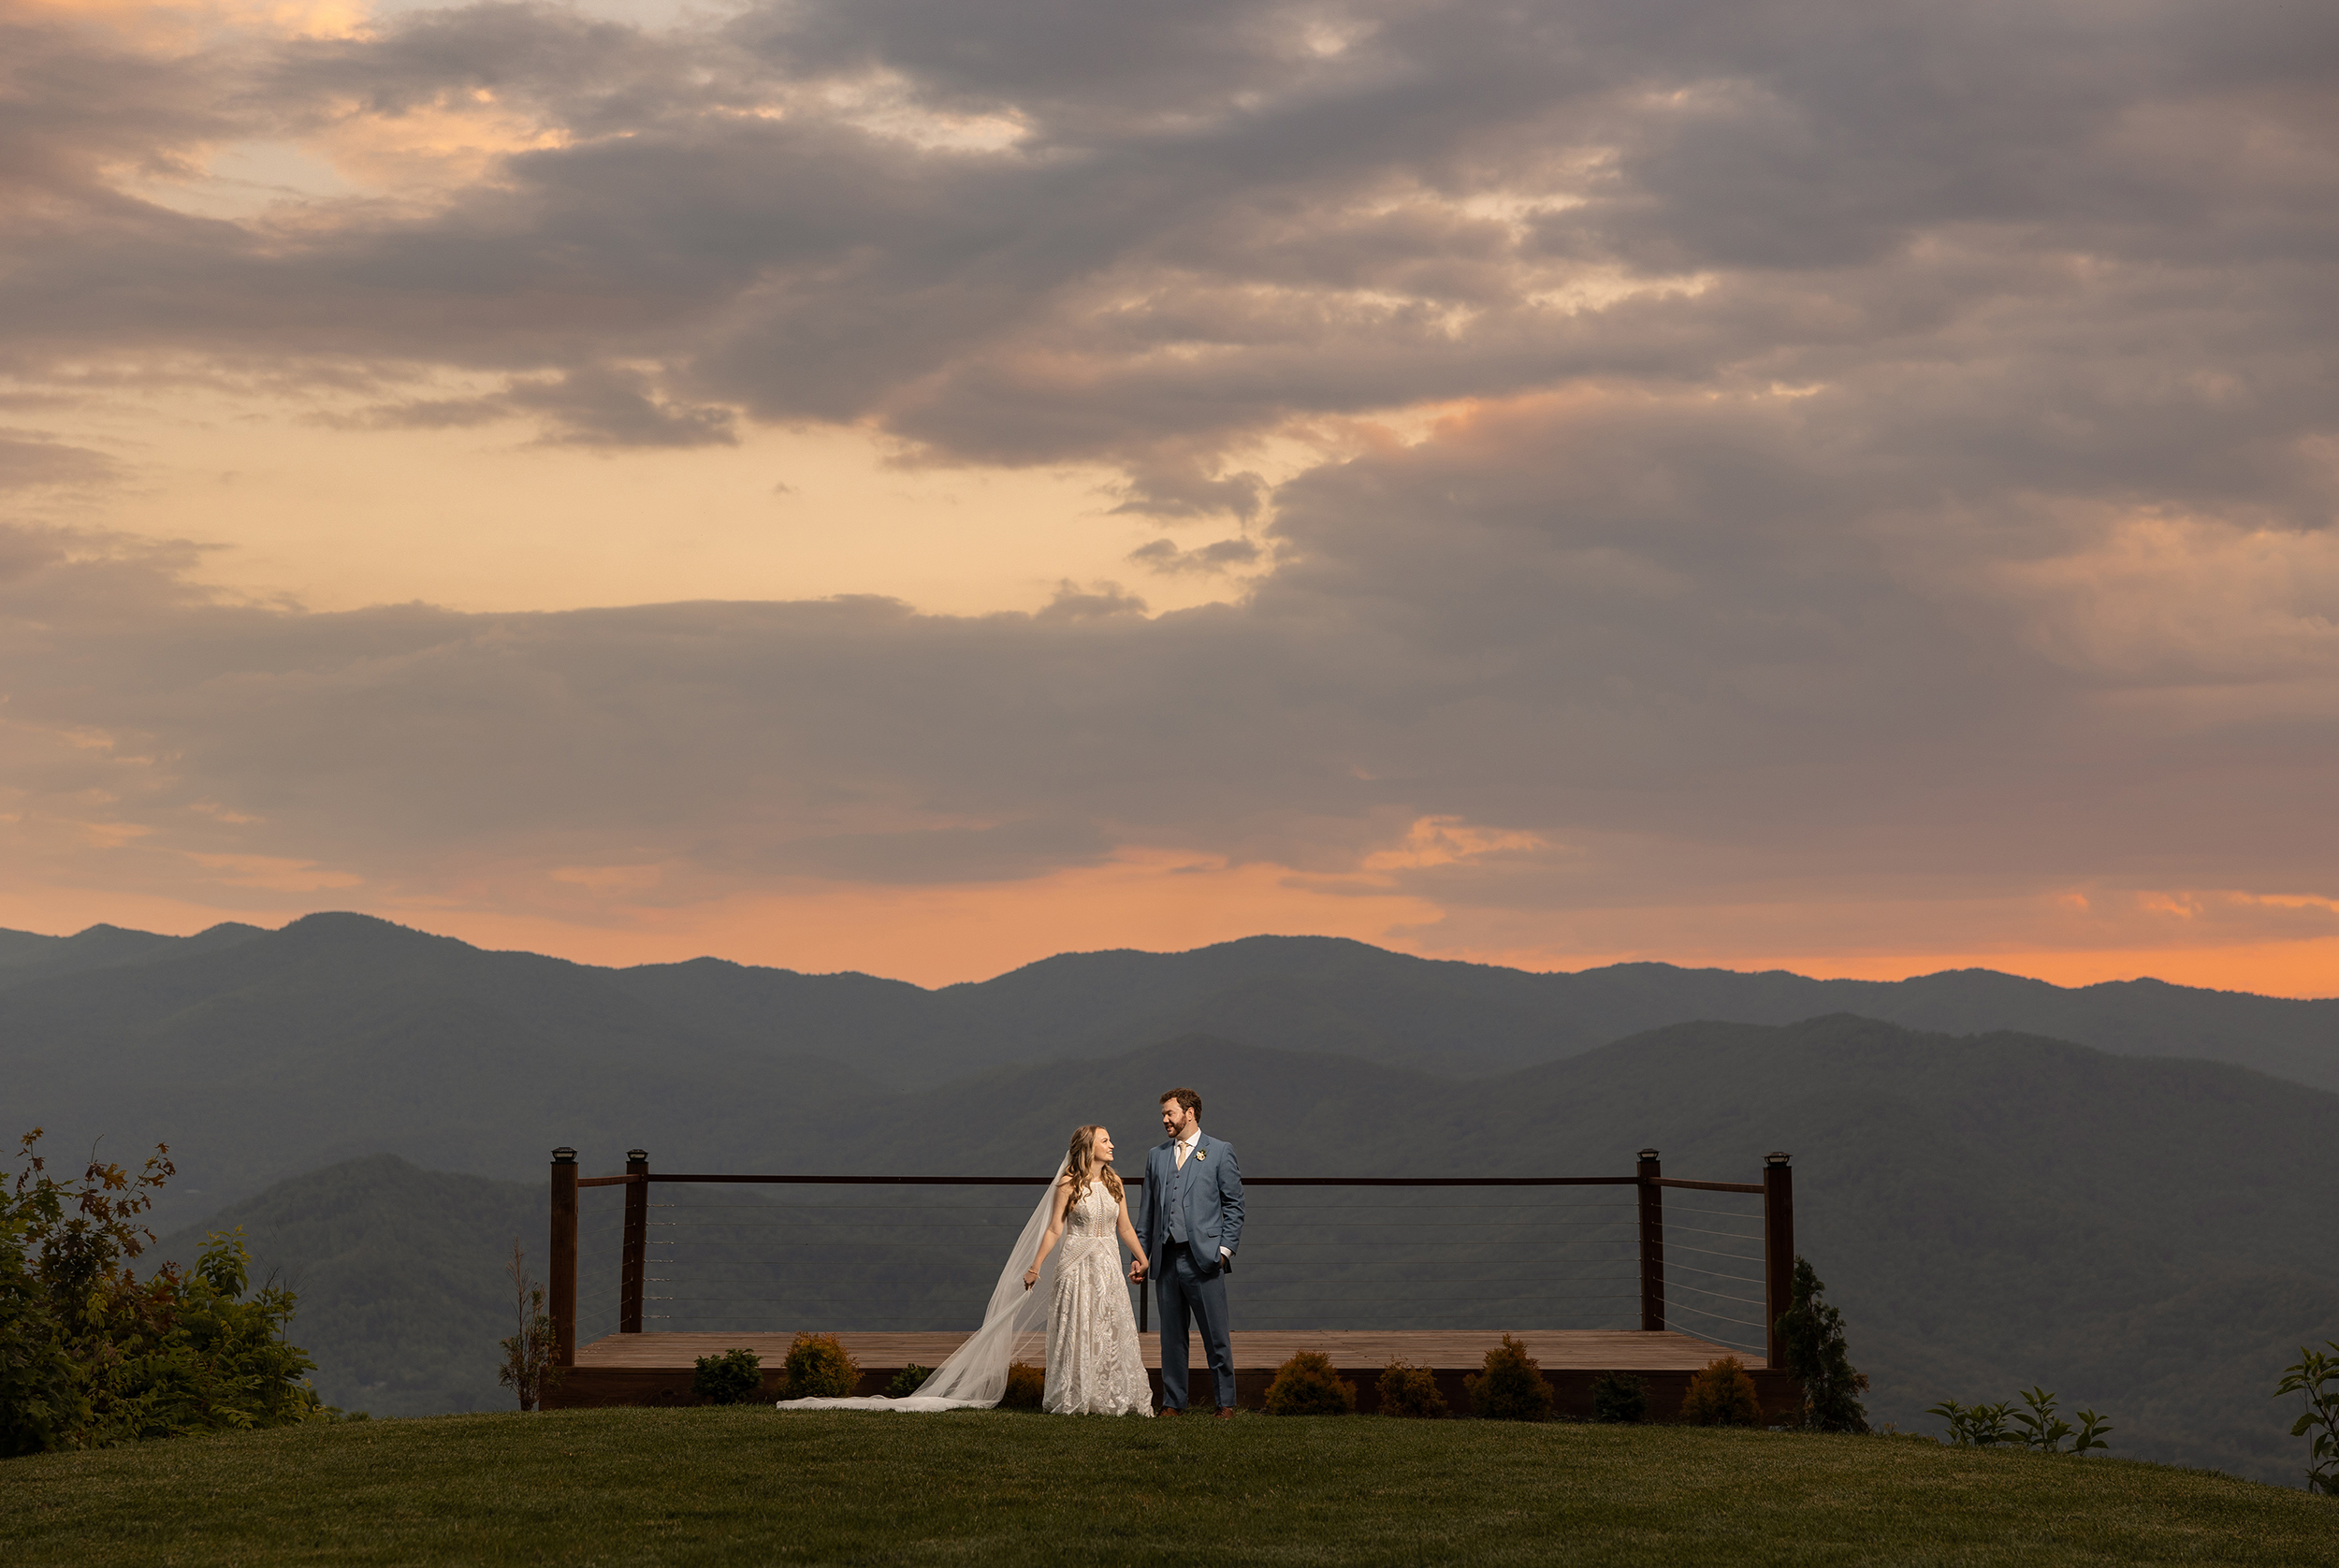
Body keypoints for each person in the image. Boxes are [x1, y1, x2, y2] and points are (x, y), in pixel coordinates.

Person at [1020, 1125, 1154, 1416]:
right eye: (1105, 1141)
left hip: (1107, 1264)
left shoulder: (1114, 1181)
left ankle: (1107, 1393)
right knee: (1077, 1326)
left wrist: (1142, 1258)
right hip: (1076, 1264)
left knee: (1106, 1327)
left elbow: (1126, 1227)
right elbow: (1056, 1228)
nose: (1112, 1145)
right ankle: (1074, 1393)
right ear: (1089, 1148)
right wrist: (1035, 1266)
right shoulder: (1069, 1182)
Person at [1142, 1086, 1244, 1416]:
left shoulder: (1219, 1151)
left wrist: (1225, 1251)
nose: (1165, 1120)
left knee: (1216, 1335)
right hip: (1166, 1260)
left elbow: (1234, 1205)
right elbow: (1147, 1213)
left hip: (1205, 1259)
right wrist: (1143, 1256)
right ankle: (1173, 1403)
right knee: (1171, 1337)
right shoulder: (1156, 1156)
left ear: (1190, 1113)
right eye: (1163, 1115)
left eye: (1169, 1113)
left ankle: (1225, 1403)